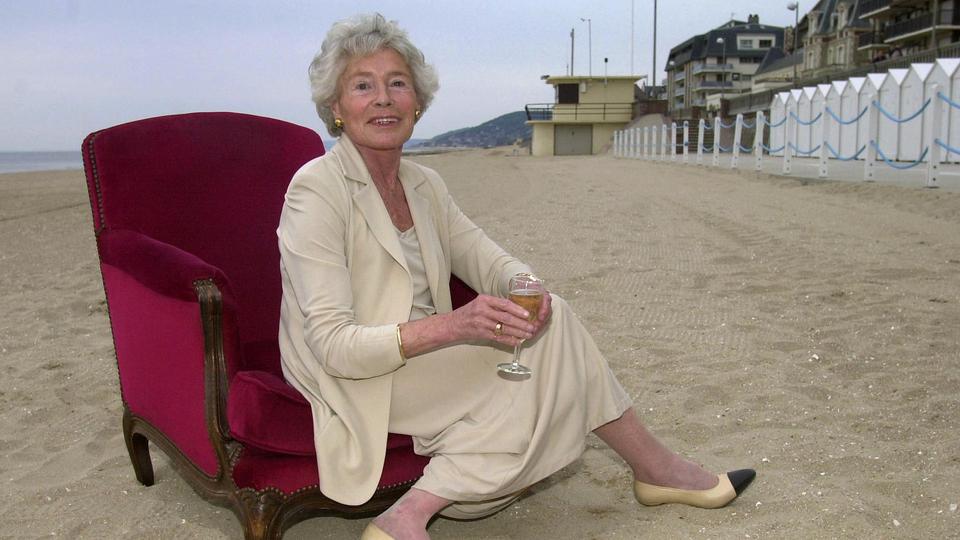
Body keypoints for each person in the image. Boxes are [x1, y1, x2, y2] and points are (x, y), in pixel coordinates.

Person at [278, 13, 755, 540]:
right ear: (336, 109)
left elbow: (487, 258)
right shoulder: (316, 190)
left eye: (397, 83)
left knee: (555, 324)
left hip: (426, 352)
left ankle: (409, 517)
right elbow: (332, 346)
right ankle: (653, 471)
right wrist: (456, 327)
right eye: (362, 86)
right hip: (355, 369)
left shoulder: (424, 184)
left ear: (417, 101)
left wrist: (526, 290)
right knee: (545, 387)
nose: (384, 99)